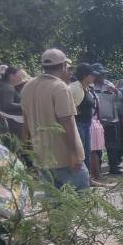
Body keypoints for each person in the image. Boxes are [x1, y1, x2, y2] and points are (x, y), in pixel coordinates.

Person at [22, 49, 88, 190]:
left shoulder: (27, 87)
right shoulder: (60, 87)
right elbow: (67, 123)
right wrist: (74, 154)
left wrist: (28, 151)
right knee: (81, 198)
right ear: (63, 66)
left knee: (54, 201)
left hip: (42, 157)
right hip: (65, 159)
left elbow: (26, 121)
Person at [92, 63, 123, 175]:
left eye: (103, 74)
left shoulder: (109, 84)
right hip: (96, 121)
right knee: (96, 146)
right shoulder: (90, 86)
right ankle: (97, 169)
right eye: (100, 74)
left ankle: (113, 167)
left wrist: (116, 91)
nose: (102, 76)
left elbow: (119, 98)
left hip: (111, 120)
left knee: (112, 145)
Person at [68, 63, 97, 171]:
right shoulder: (75, 88)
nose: (94, 77)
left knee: (86, 152)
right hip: (78, 124)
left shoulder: (86, 88)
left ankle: (87, 176)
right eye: (92, 75)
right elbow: (70, 107)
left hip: (85, 124)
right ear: (85, 75)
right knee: (81, 153)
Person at [0, 66, 29, 149]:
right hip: (14, 122)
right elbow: (8, 105)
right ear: (11, 76)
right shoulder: (8, 87)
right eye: (18, 75)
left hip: (7, 121)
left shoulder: (2, 85)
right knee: (19, 146)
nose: (20, 78)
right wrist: (25, 105)